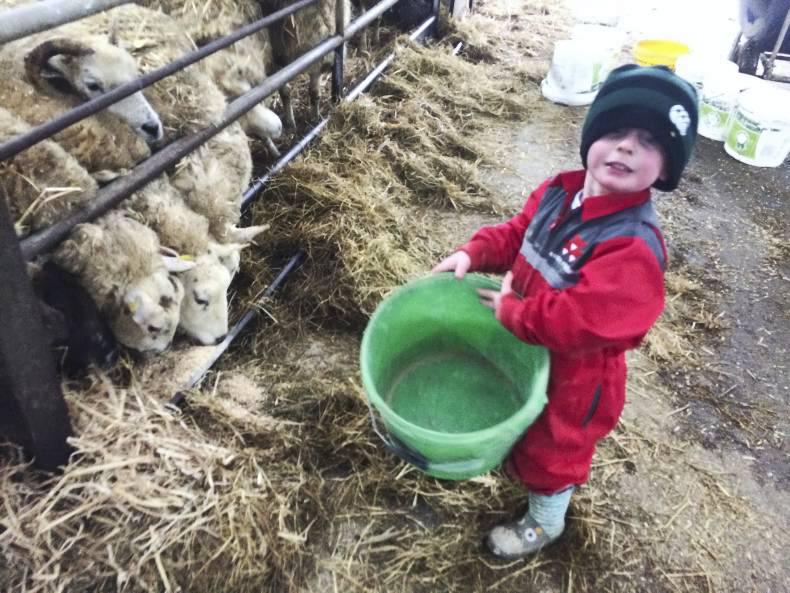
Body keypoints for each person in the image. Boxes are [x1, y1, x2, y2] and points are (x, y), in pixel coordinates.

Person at [431, 64, 698, 559]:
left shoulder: (633, 248)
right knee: (521, 423)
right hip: (529, 349)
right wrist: (474, 252)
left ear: (665, 169)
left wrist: (514, 312)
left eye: (648, 141)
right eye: (615, 131)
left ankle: (546, 519)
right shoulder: (559, 190)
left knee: (553, 451)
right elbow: (516, 234)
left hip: (577, 381)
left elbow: (580, 321)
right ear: (593, 136)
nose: (625, 147)